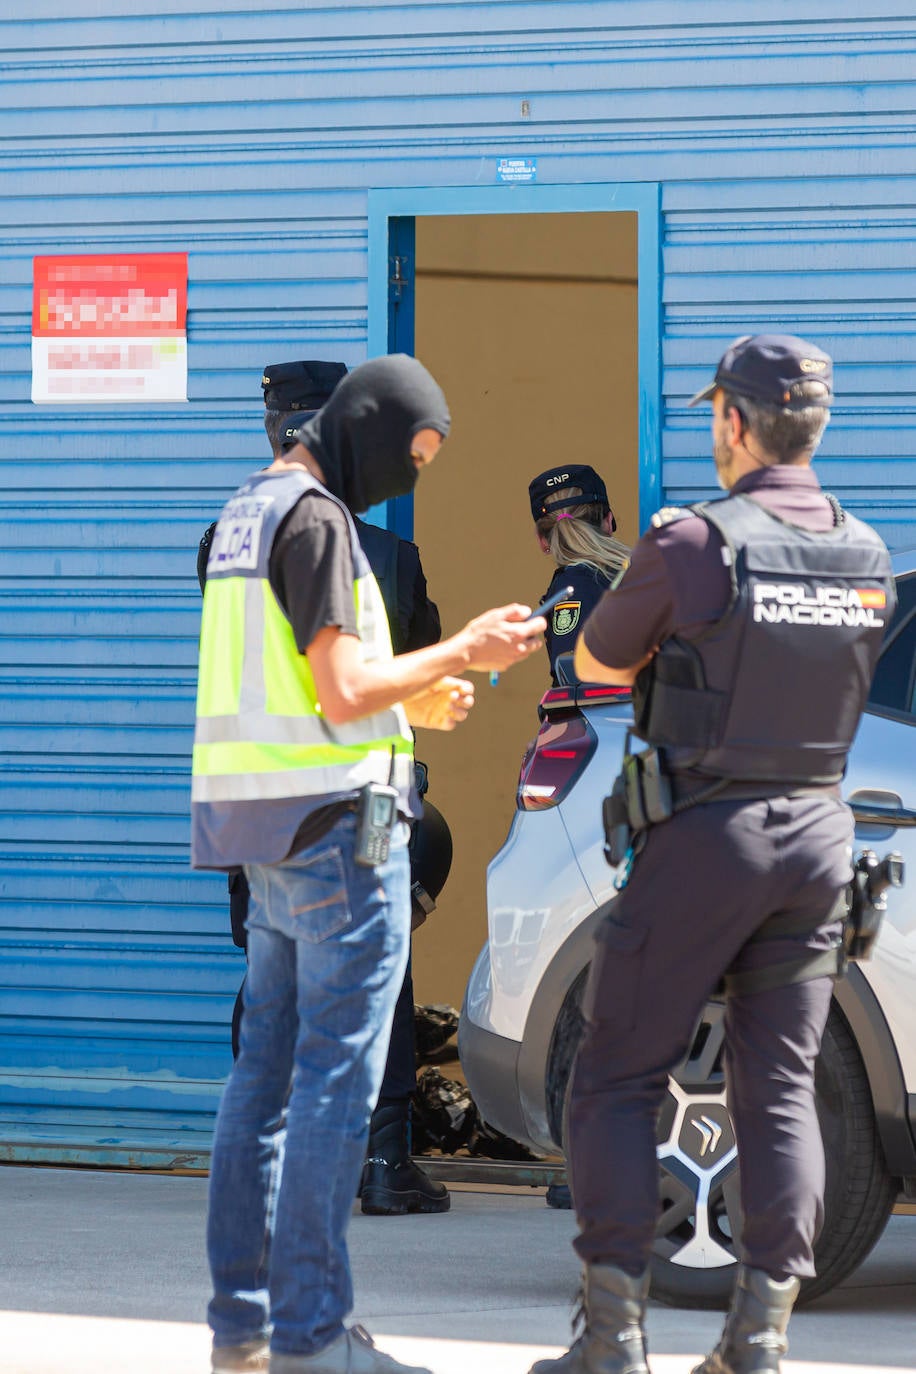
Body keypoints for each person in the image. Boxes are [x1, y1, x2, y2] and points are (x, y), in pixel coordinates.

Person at [533, 335, 895, 1374]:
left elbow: (600, 656)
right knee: (778, 1089)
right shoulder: (864, 552)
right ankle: (757, 1341)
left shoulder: (697, 541)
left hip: (707, 833)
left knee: (612, 1077)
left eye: (711, 414)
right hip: (820, 839)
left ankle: (611, 1340)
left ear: (733, 423)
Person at [193, 352, 546, 1374]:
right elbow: (342, 691)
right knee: (333, 1094)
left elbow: (304, 685)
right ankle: (311, 1338)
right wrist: (462, 653)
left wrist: (409, 701)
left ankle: (244, 1332)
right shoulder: (317, 519)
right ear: (370, 427)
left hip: (266, 841)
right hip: (340, 840)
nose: (412, 477)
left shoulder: (243, 516)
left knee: (260, 1088)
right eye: (413, 456)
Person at [528, 465, 629, 684]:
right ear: (609, 521)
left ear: (542, 540)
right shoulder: (651, 573)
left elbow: (577, 686)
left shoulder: (572, 588)